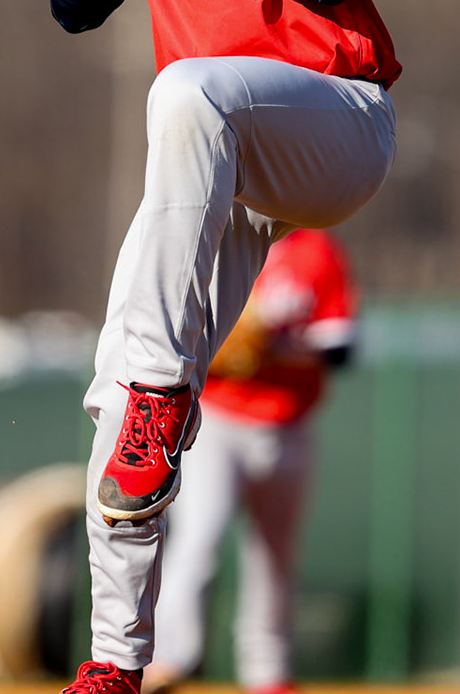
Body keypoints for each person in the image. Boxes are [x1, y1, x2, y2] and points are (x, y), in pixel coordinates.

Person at [46, 0, 399, 694]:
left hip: (331, 118)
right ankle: (116, 656)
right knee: (119, 389)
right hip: (220, 161)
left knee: (187, 88)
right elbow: (72, 3)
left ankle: (162, 392)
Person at [143, 228, 360, 694]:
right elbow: (174, 329)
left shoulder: (315, 251)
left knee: (275, 558)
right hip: (219, 422)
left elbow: (341, 348)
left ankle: (268, 675)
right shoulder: (223, 240)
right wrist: (223, 349)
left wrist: (272, 348)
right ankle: (168, 659)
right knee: (199, 539)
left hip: (289, 425)